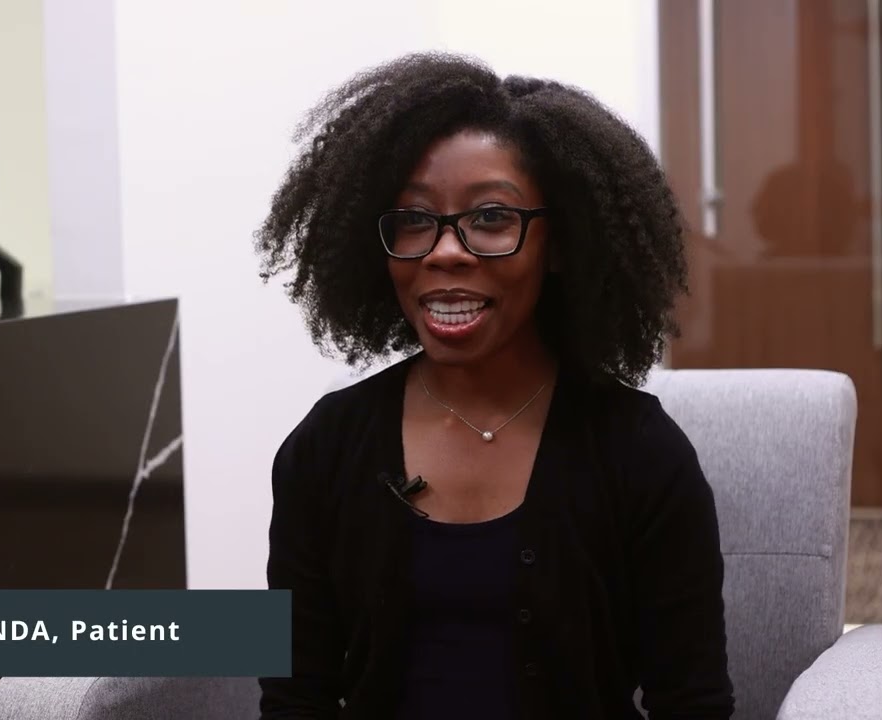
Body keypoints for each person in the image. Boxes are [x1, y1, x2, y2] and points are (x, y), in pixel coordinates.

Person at [253, 52, 734, 719]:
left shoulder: (641, 454)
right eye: (414, 220)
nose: (445, 250)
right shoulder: (327, 449)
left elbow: (693, 704)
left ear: (560, 244)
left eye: (490, 219)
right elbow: (293, 697)